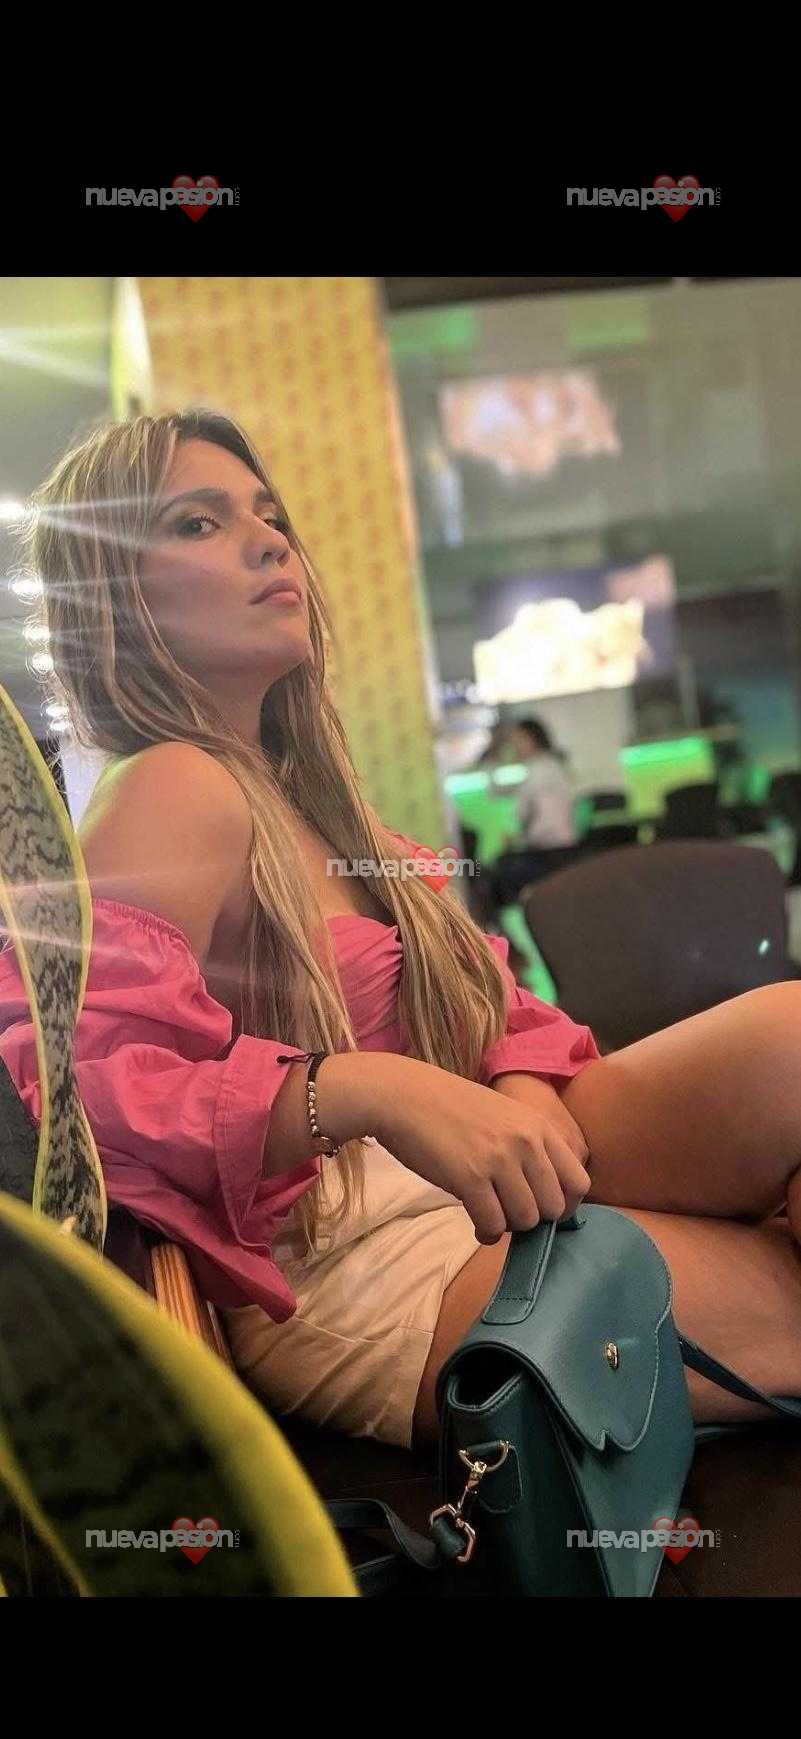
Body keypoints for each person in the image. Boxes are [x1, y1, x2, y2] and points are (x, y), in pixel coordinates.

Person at [2, 408, 801, 1454]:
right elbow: (77, 1092)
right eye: (197, 523)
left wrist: (511, 1074)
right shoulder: (170, 785)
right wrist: (365, 1088)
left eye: (268, 514)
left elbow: (493, 1000)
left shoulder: (315, 804)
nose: (267, 540)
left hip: (478, 1178)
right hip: (367, 1255)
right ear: (112, 596)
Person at [489, 718, 582, 909]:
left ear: (530, 739)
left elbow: (521, 814)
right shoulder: (553, 765)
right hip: (566, 850)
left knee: (498, 875)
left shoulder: (537, 771)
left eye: (517, 741)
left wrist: (499, 759)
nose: (514, 747)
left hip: (546, 854)